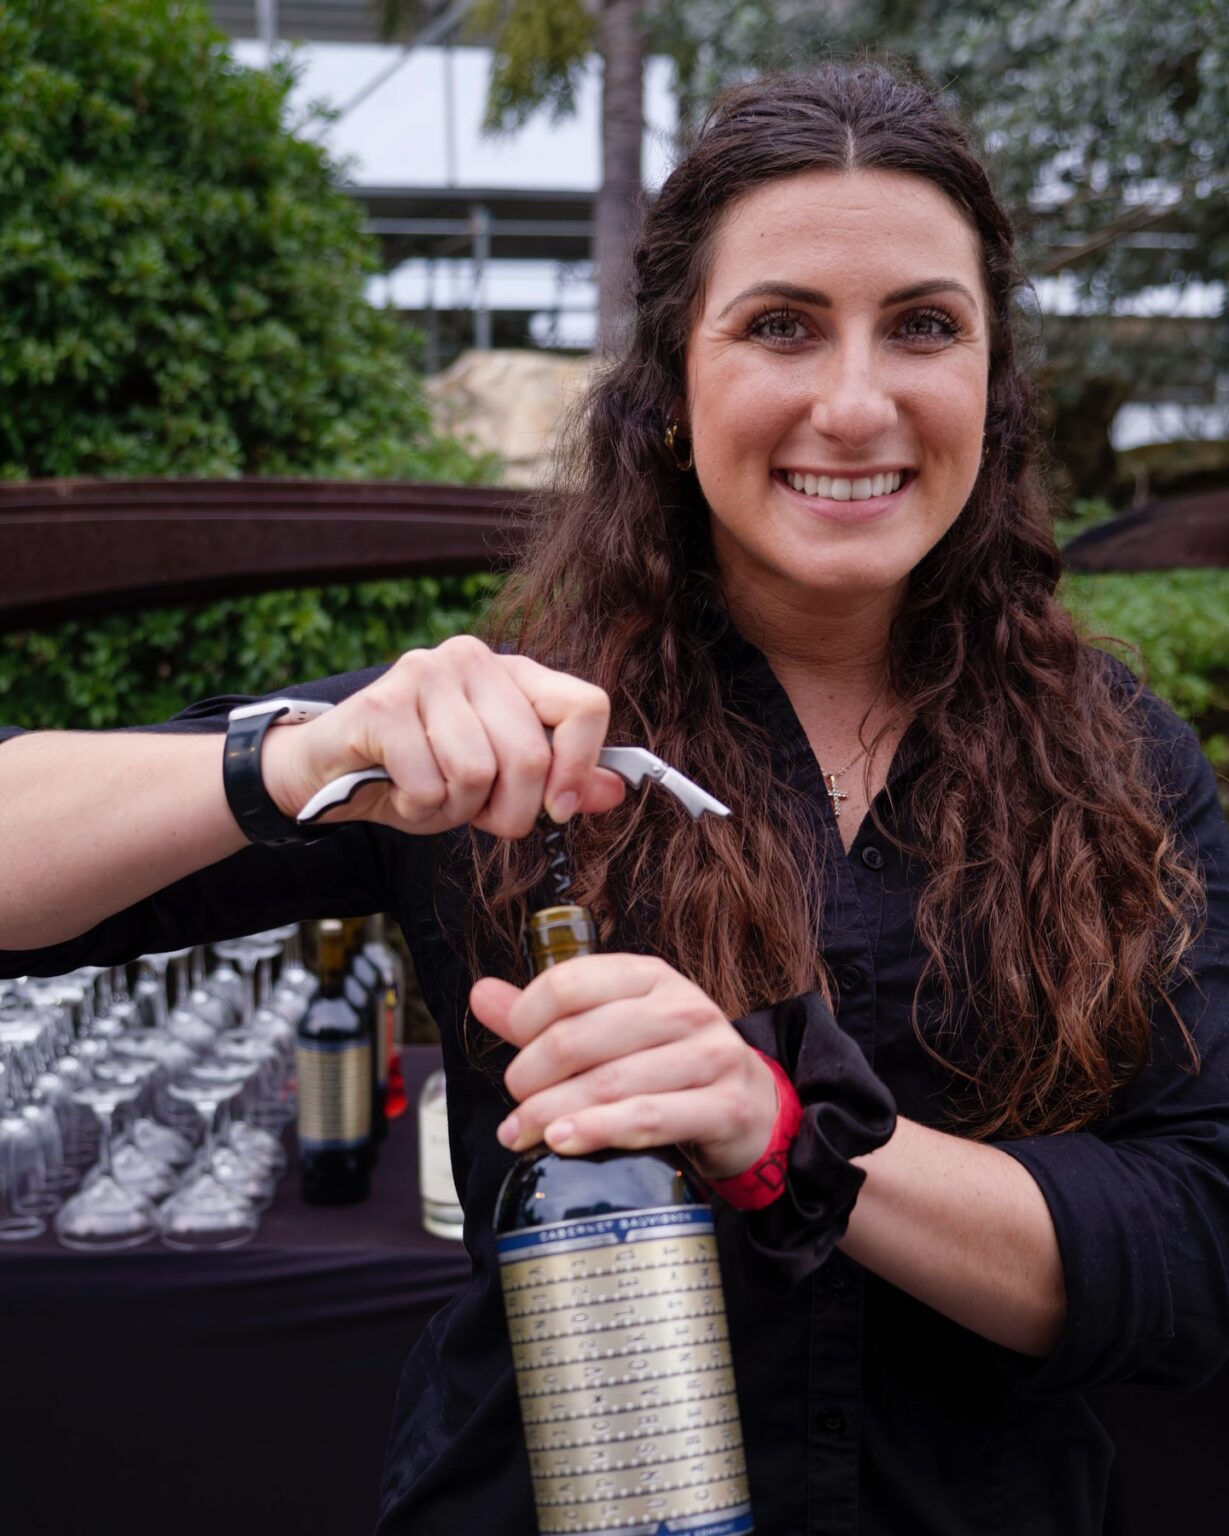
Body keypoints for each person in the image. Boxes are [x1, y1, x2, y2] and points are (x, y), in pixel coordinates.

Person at [2, 60, 1227, 1536]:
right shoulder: (510, 726)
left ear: (989, 386)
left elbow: (1194, 1247)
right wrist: (298, 759)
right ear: (668, 390)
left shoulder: (1121, 761)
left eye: (921, 326)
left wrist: (790, 1138)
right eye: (779, 326)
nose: (854, 402)